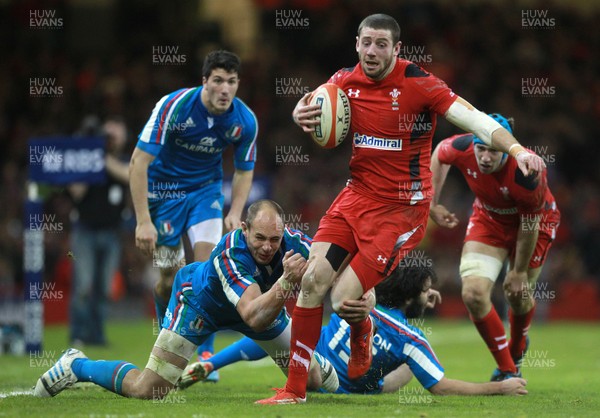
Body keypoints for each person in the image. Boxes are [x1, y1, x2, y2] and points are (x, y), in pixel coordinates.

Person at [257, 13, 545, 405]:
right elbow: (310, 103)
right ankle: (293, 391)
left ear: (397, 49)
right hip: (355, 197)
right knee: (310, 282)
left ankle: (363, 332)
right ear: (356, 43)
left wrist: (516, 149)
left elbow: (475, 119)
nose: (372, 51)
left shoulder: (420, 84)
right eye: (366, 42)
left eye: (381, 44)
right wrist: (298, 112)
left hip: (401, 210)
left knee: (343, 301)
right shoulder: (344, 80)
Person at [33, 200, 339, 399]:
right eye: (259, 238)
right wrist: (286, 281)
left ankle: (313, 361)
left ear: (283, 232)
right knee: (148, 391)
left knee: (310, 381)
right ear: (244, 229)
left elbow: (331, 261)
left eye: (274, 239)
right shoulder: (230, 252)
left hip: (259, 304)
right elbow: (253, 317)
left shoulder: (293, 244)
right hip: (200, 304)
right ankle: (77, 365)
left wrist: (360, 291)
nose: (268, 247)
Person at [179, 260, 528, 396]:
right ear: (413, 297)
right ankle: (367, 384)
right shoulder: (411, 338)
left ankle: (211, 362)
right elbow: (440, 386)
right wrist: (500, 389)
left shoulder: (356, 298)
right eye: (424, 291)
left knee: (290, 336)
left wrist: (420, 293)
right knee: (410, 364)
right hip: (336, 385)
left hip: (311, 358)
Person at [129, 49, 258, 375]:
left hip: (205, 194)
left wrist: (236, 211)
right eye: (218, 81)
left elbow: (243, 170)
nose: (225, 89)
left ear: (238, 83)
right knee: (170, 277)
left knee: (204, 272)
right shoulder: (174, 107)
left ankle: (205, 356)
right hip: (163, 196)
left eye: (231, 81)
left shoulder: (244, 121)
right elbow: (138, 162)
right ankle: (165, 331)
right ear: (204, 82)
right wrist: (143, 221)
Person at [429, 113, 560, 381]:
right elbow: (440, 154)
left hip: (535, 224)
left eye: (493, 151)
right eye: (481, 149)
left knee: (516, 292)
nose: (485, 157)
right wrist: (433, 202)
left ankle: (517, 344)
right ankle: (508, 369)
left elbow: (528, 225)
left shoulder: (527, 174)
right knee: (474, 294)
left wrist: (519, 272)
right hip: (489, 220)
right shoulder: (462, 145)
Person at [68, 116, 130, 346]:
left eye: (115, 136)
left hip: (112, 233)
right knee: (83, 285)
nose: (110, 140)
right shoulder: (85, 162)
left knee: (104, 288)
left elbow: (128, 175)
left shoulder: (125, 160)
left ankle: (97, 335)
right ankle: (78, 335)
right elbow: (76, 192)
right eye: (107, 136)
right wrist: (89, 156)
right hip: (85, 231)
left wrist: (100, 156)